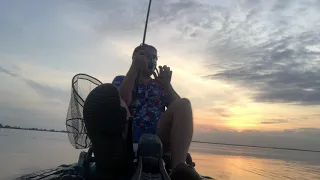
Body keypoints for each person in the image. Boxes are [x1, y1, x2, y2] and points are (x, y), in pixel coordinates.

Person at [83, 44, 204, 180]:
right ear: (135, 57)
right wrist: (134, 69)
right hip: (125, 136)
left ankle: (179, 169)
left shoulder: (160, 86)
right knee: (113, 94)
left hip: (158, 137)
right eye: (146, 55)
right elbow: (120, 101)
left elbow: (181, 113)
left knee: (184, 103)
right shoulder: (121, 79)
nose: (152, 60)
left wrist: (167, 86)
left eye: (154, 57)